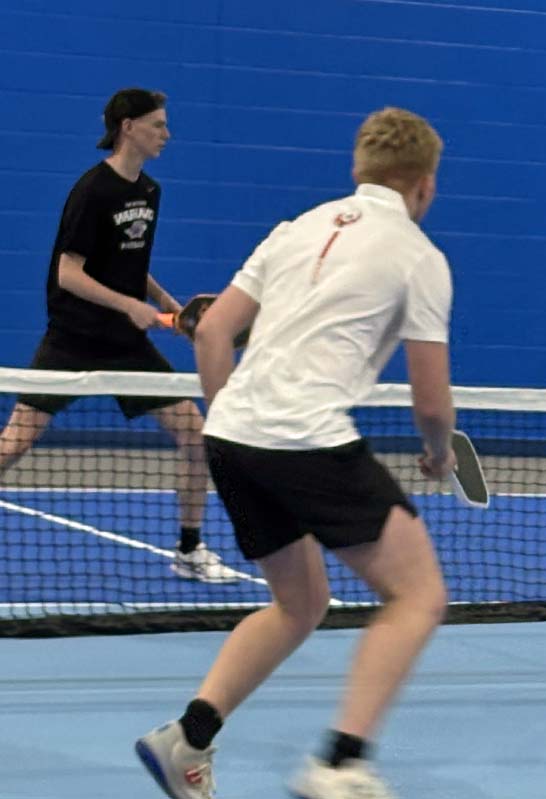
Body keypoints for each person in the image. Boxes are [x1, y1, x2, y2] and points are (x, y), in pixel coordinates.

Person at [135, 106, 455, 799]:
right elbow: (432, 405)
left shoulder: (296, 227)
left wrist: (233, 423)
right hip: (304, 438)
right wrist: (438, 454)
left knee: (302, 601)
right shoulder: (419, 257)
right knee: (418, 595)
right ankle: (339, 763)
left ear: (358, 170)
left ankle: (186, 737)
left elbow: (213, 331)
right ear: (424, 185)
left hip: (234, 435)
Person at [0, 87, 236, 583]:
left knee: (196, 437)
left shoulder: (149, 192)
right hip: (74, 337)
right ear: (128, 127)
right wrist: (130, 306)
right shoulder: (93, 191)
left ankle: (189, 549)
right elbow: (69, 273)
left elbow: (132, 264)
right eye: (158, 125)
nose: (167, 135)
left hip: (126, 346)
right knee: (16, 442)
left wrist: (170, 307)